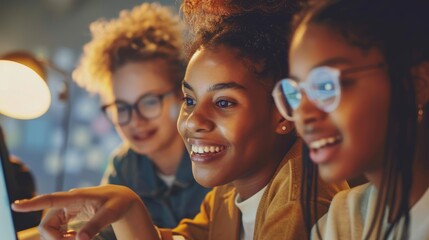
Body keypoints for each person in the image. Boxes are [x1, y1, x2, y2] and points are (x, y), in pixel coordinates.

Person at [12, 1, 348, 239]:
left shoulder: (302, 194)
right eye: (190, 99)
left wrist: (129, 209)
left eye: (224, 102)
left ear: (283, 111)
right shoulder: (228, 195)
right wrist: (127, 213)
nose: (193, 121)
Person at [271, 0, 429, 238]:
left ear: (417, 83)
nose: (304, 114)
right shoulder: (343, 217)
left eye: (325, 85)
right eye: (296, 93)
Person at [71, 2, 210, 236]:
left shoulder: (212, 154)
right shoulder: (124, 168)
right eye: (122, 107)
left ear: (181, 95)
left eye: (149, 102)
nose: (135, 120)